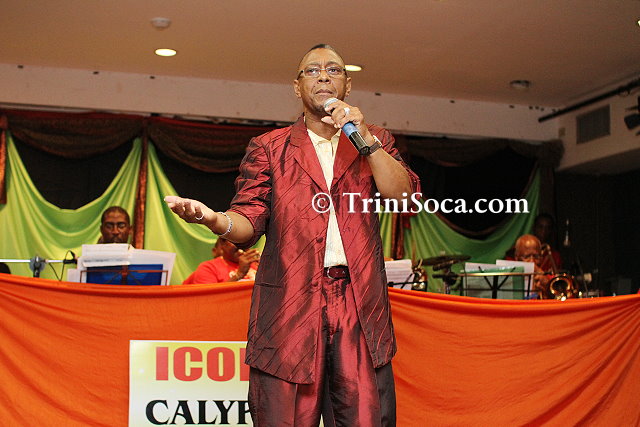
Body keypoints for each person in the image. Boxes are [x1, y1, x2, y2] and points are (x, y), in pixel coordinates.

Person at [165, 43, 419, 426]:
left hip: (359, 303)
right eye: (312, 70)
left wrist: (365, 138)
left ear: (347, 86)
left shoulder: (373, 139)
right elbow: (248, 221)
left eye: (334, 70)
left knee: (367, 416)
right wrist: (215, 220)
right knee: (283, 417)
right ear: (297, 87)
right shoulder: (270, 147)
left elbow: (405, 198)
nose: (323, 76)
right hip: (289, 304)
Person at [182, 238, 259, 284]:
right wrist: (239, 274)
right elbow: (209, 299)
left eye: (245, 242)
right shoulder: (208, 268)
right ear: (223, 244)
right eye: (235, 241)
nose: (241, 245)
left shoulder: (255, 264)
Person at [514, 234, 550, 299]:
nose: (532, 261)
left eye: (536, 257)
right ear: (517, 257)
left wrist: (547, 287)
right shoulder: (509, 279)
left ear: (541, 258)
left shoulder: (549, 279)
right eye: (527, 257)